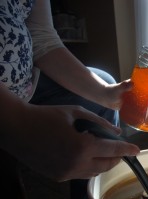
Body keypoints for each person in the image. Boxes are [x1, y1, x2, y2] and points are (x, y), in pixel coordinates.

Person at [0, 0, 140, 198]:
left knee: (104, 82)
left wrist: (105, 92)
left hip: (26, 85)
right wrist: (17, 119)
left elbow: (42, 39)